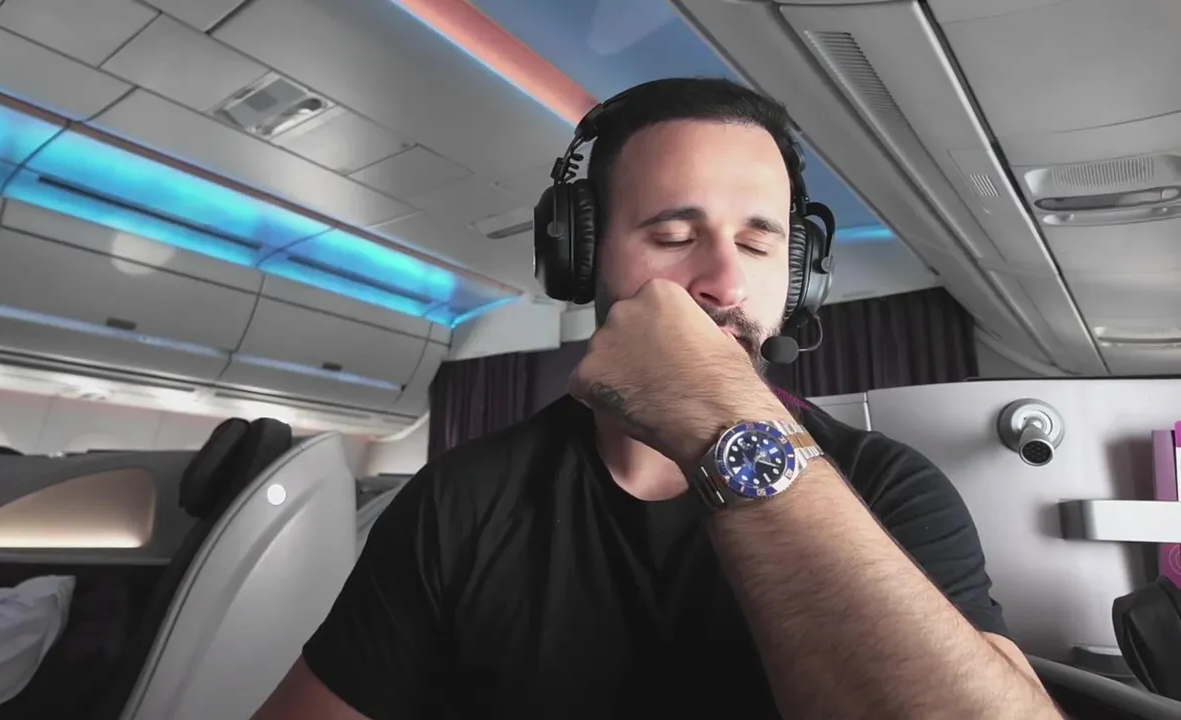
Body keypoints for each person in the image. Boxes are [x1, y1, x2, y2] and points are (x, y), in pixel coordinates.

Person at [252, 78, 1061, 719]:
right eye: (673, 236)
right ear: (580, 260)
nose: (725, 280)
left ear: (802, 278)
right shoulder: (459, 503)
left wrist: (717, 418)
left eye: (758, 243)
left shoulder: (890, 488)